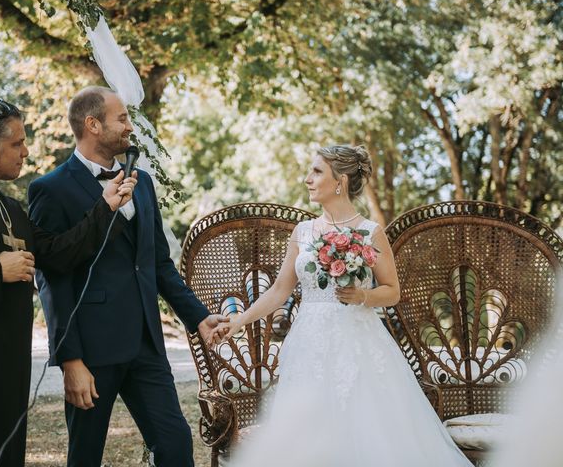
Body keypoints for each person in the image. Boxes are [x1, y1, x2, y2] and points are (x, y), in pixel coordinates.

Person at [215, 144, 473, 466]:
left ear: (340, 181)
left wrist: (362, 296)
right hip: (308, 345)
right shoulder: (302, 233)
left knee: (365, 428)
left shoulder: (370, 233)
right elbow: (280, 290)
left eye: (316, 171)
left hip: (359, 345)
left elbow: (392, 291)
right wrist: (238, 322)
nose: (307, 178)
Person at [0, 98, 137, 467]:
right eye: (18, 143)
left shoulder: (8, 206)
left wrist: (105, 207)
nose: (26, 151)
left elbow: (59, 254)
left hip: (6, 374)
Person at [28, 86, 227, 467]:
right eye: (122, 118)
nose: (130, 127)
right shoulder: (51, 190)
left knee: (175, 445)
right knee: (85, 455)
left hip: (146, 344)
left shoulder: (143, 183)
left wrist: (198, 316)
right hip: (92, 348)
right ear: (92, 125)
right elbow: (52, 276)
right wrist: (70, 359)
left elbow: (157, 264)